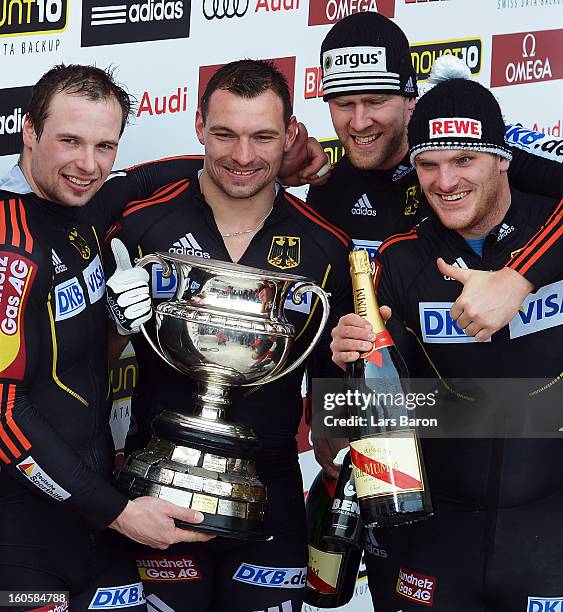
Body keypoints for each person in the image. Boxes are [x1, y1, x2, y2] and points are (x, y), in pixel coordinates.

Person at [104, 59, 352, 612]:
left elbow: (333, 404)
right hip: (155, 487)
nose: (243, 157)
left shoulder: (326, 246)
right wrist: (115, 327)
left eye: (263, 136)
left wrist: (348, 462)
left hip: (275, 495)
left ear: (290, 135)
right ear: (198, 127)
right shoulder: (141, 223)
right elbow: (86, 359)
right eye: (225, 134)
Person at [330, 72, 563, 611]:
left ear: (503, 159)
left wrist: (519, 276)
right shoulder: (400, 259)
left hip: (548, 531)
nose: (445, 181)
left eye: (465, 160)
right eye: (429, 163)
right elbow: (370, 420)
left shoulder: (548, 227)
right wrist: (347, 364)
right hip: (433, 540)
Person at [0, 64, 228, 612]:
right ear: (29, 132)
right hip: (22, 538)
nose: (88, 165)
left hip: (93, 523)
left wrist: (272, 163)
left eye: (106, 145)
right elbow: (4, 412)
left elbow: (147, 178)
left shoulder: (86, 203)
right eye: (70, 141)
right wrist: (119, 512)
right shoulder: (9, 242)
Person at [307, 11, 562, 347]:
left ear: (410, 98)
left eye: (375, 101)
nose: (359, 122)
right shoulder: (328, 188)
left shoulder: (465, 142)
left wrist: (518, 278)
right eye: (343, 103)